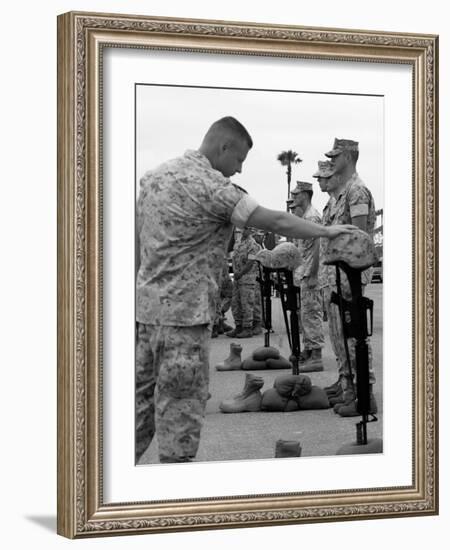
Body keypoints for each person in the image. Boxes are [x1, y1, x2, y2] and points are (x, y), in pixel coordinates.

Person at [135, 117, 356, 463]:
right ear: (224, 147)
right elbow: (275, 220)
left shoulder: (152, 180)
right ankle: (171, 504)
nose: (237, 171)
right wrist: (326, 232)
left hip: (146, 317)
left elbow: (138, 248)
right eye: (238, 161)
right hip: (184, 321)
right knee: (180, 418)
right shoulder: (210, 186)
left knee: (137, 409)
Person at [321, 138, 378, 417]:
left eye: (335, 156)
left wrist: (348, 273)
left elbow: (358, 240)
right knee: (341, 335)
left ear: (349, 156)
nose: (331, 161)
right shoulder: (344, 193)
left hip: (350, 275)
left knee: (355, 336)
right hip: (337, 274)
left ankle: (365, 395)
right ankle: (350, 389)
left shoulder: (357, 192)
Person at [290, 181, 325, 372]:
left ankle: (316, 356)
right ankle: (310, 351)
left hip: (311, 274)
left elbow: (319, 246)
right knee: (306, 314)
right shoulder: (305, 217)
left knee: (312, 315)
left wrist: (313, 273)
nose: (294, 197)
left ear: (306, 194)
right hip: (304, 273)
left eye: (297, 194)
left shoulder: (312, 218)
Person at [227, 227, 261, 338]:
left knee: (247, 304)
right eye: (244, 228)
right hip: (238, 278)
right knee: (235, 303)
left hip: (247, 278)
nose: (244, 230)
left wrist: (241, 273)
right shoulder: (238, 241)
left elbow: (251, 261)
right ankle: (238, 326)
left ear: (251, 230)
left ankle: (247, 328)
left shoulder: (253, 244)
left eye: (247, 229)